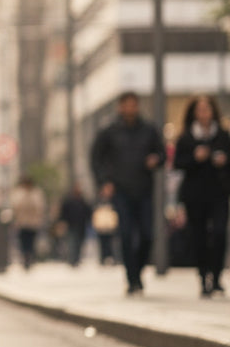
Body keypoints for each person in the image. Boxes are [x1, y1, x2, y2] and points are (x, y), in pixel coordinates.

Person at [91, 91, 165, 296]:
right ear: (120, 107)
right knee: (125, 234)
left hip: (143, 189)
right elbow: (96, 158)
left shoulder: (149, 130)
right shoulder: (110, 131)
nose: (130, 109)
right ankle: (132, 279)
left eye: (134, 105)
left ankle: (137, 272)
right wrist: (104, 182)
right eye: (127, 105)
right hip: (121, 190)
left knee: (147, 234)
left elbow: (162, 154)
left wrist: (156, 160)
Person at [173, 95, 230, 298]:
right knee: (198, 236)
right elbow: (177, 163)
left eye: (207, 109)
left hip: (219, 193)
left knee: (219, 233)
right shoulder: (186, 137)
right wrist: (195, 158)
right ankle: (203, 276)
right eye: (200, 109)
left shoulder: (223, 136)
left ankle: (216, 277)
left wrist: (223, 161)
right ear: (194, 113)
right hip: (194, 196)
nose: (204, 113)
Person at [10, 177, 45, 271]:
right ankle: (25, 258)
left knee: (31, 242)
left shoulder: (36, 193)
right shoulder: (19, 193)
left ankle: (30, 258)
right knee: (23, 242)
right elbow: (16, 206)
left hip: (33, 223)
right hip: (22, 223)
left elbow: (39, 207)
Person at [57, 183, 92, 267]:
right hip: (71, 225)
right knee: (72, 242)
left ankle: (77, 258)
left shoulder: (83, 201)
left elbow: (88, 212)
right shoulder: (68, 201)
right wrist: (62, 222)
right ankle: (72, 259)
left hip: (81, 225)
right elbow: (63, 213)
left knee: (79, 243)